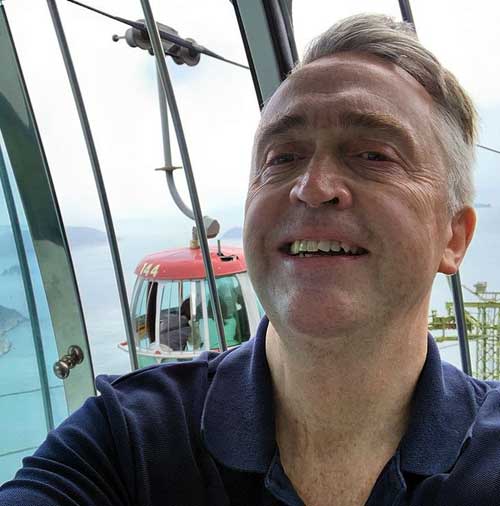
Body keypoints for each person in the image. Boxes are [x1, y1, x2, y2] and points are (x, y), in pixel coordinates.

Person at [0, 13, 498, 506]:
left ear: (454, 237)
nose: (312, 187)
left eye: (373, 155)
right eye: (282, 158)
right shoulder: (126, 440)